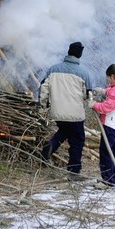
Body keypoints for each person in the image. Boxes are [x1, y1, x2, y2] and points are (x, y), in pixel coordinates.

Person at [39, 42, 93, 179]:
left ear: (68, 52)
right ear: (80, 55)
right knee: (77, 140)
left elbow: (43, 89)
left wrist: (43, 106)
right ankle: (74, 171)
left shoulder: (53, 69)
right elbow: (87, 95)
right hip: (75, 114)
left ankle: (48, 148)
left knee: (64, 131)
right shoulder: (84, 73)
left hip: (57, 112)